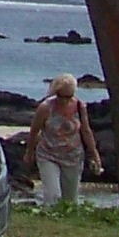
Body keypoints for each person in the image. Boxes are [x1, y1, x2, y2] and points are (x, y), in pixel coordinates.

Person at [24, 73, 98, 208]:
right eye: (61, 96)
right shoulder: (46, 107)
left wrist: (95, 155)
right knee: (52, 195)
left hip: (73, 157)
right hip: (48, 154)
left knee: (70, 200)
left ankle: (67, 219)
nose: (64, 101)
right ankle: (50, 215)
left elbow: (86, 131)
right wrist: (29, 152)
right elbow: (34, 131)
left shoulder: (80, 107)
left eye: (68, 97)